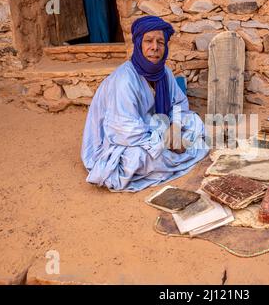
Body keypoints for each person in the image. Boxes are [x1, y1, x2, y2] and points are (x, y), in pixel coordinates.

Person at [81, 16, 209, 192]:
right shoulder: (124, 80)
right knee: (138, 158)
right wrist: (166, 139)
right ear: (139, 44)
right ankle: (173, 155)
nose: (155, 47)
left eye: (160, 42)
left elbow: (178, 102)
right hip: (124, 138)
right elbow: (125, 130)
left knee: (194, 122)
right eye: (148, 41)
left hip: (154, 126)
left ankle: (172, 152)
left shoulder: (164, 72)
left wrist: (176, 126)